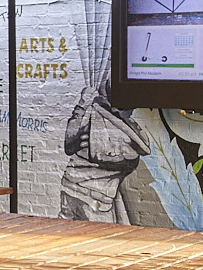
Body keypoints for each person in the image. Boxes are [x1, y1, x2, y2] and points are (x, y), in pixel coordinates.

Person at [60, 82, 149, 222]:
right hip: (95, 199)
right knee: (103, 239)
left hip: (70, 188)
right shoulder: (121, 133)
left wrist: (80, 107)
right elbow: (125, 160)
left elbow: (70, 144)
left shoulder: (89, 114)